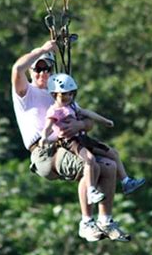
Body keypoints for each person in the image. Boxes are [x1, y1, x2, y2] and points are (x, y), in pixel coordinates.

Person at [11, 40, 141, 242]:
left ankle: (105, 220)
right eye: (38, 68)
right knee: (89, 165)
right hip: (46, 152)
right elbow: (17, 67)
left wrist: (80, 126)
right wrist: (43, 50)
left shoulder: (58, 93)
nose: (43, 73)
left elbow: (85, 119)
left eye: (47, 69)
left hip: (68, 144)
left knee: (109, 166)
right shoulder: (25, 93)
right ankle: (86, 222)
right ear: (31, 70)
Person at [40, 73, 116, 206]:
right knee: (90, 160)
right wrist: (44, 138)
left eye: (70, 94)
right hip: (70, 141)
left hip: (81, 137)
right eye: (63, 94)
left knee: (110, 153)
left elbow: (88, 113)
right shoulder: (54, 111)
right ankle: (91, 191)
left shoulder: (72, 106)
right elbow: (48, 126)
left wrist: (104, 121)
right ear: (54, 95)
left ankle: (126, 180)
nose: (67, 97)